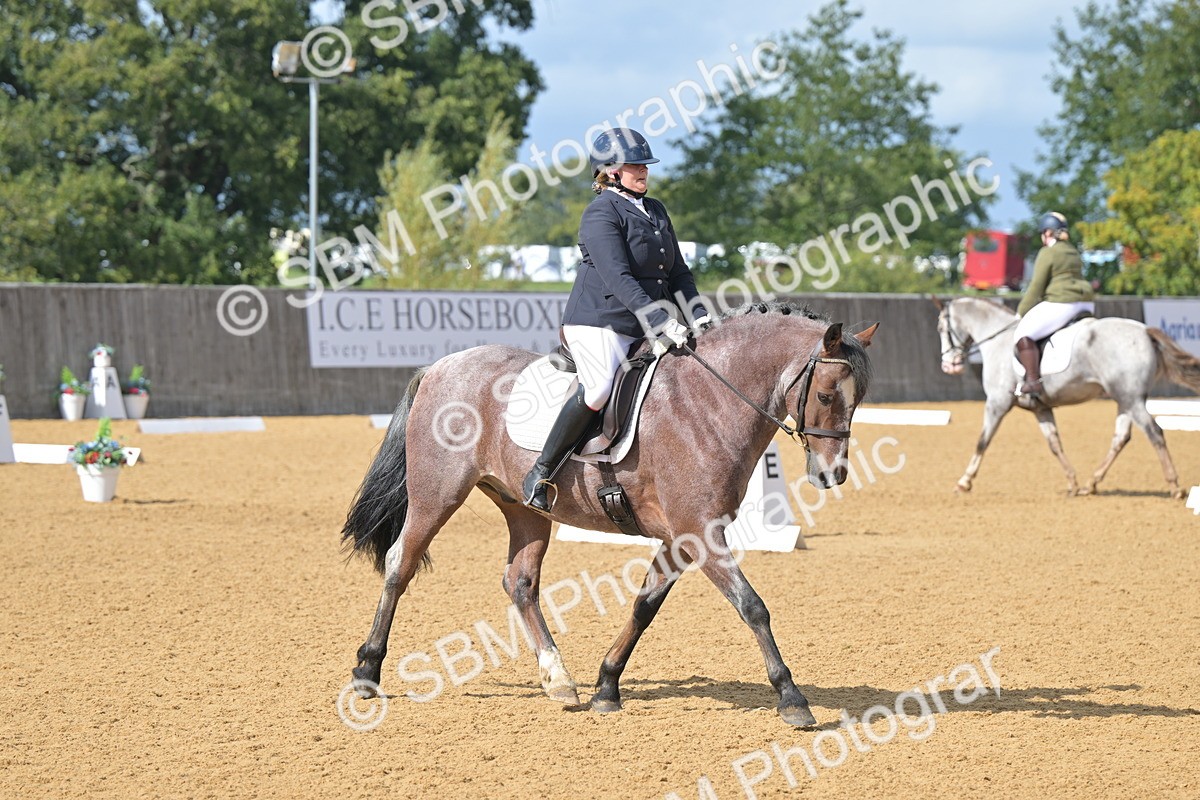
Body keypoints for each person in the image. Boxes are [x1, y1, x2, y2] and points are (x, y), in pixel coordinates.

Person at [522, 128, 711, 511]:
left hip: (643, 321)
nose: (643, 171)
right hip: (598, 321)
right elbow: (618, 277)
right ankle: (540, 472)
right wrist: (659, 318)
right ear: (609, 171)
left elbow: (678, 274)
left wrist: (699, 315)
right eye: (633, 166)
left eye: (644, 165)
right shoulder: (600, 213)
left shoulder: (655, 209)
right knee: (597, 389)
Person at [1014, 211, 1095, 402]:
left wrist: (1021, 313)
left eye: (1043, 233)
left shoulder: (1048, 252)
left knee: (1023, 334)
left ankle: (1033, 381)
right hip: (1086, 302)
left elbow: (1036, 287)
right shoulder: (1073, 250)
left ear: (1048, 233)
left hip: (1063, 301)